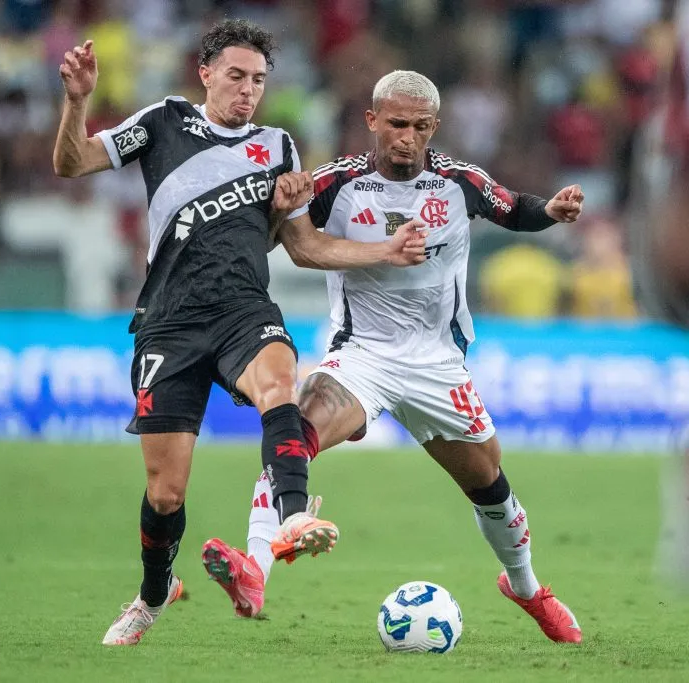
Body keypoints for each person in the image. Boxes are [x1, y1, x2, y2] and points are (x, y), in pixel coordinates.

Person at [52, 21, 428, 646]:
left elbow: (304, 248)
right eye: (236, 76)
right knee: (166, 494)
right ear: (205, 74)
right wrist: (76, 101)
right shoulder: (163, 121)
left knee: (282, 384)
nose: (248, 90)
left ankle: (293, 516)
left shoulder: (279, 146)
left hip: (243, 311)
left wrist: (381, 249)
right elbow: (71, 163)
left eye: (258, 80)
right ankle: (152, 594)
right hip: (168, 322)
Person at [202, 70, 586, 645]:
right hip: (363, 355)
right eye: (397, 124)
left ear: (434, 128)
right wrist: (274, 211)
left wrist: (550, 210)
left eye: (420, 127)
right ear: (372, 121)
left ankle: (526, 587)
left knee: (489, 485)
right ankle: (255, 569)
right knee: (294, 429)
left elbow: (513, 207)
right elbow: (272, 232)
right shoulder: (335, 183)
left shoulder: (459, 182)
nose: (407, 137)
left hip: (438, 363)